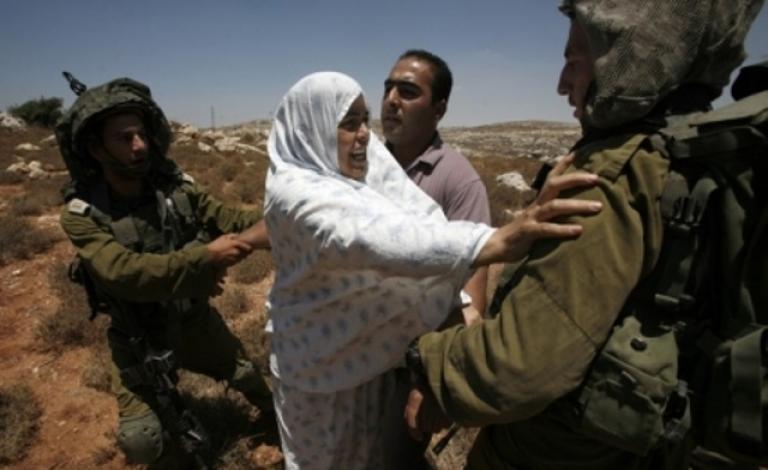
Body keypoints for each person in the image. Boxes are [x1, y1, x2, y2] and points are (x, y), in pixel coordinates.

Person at [402, 0, 765, 468]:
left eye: (574, 60)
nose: (561, 83)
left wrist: (429, 363)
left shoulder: (612, 175)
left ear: (628, 59)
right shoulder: (695, 156)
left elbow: (519, 367)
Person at [264, 71, 602, 469]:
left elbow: (416, 214)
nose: (364, 134)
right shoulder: (295, 193)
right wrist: (493, 242)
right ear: (312, 128)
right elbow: (369, 236)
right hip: (316, 372)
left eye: (365, 120)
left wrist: (456, 307)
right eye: (348, 123)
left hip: (364, 361)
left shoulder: (358, 170)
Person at [56, 76, 274, 466]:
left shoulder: (177, 190)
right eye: (124, 138)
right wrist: (205, 258)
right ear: (95, 148)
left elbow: (230, 218)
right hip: (139, 338)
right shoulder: (82, 214)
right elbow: (123, 273)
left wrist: (288, 216)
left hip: (194, 323)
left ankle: (279, 423)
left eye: (141, 134)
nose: (139, 145)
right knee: (143, 442)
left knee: (250, 380)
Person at [382, 49, 491, 322]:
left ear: (438, 110)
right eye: (388, 88)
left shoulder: (460, 181)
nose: (391, 100)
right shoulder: (363, 164)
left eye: (407, 92)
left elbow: (473, 302)